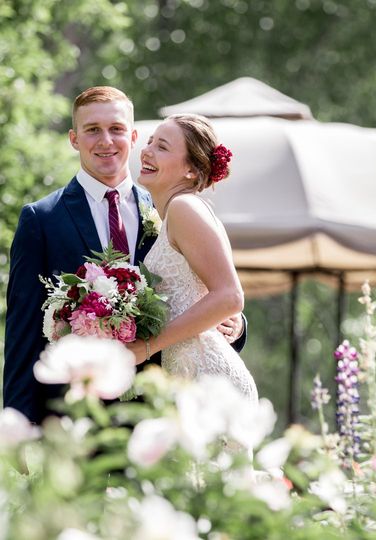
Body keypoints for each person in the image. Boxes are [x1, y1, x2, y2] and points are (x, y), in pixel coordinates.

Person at [3, 87, 246, 423]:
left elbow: (212, 290)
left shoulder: (167, 207)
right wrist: (17, 419)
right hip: (76, 414)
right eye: (92, 130)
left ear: (132, 136)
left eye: (116, 129)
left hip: (162, 408)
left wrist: (235, 326)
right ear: (74, 139)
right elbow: (23, 328)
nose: (106, 141)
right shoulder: (41, 220)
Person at [126, 114, 257, 402]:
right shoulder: (173, 213)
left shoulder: (185, 208)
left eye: (162, 146)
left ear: (190, 170)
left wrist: (146, 346)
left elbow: (231, 297)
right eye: (149, 142)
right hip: (186, 380)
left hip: (208, 381)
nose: (147, 151)